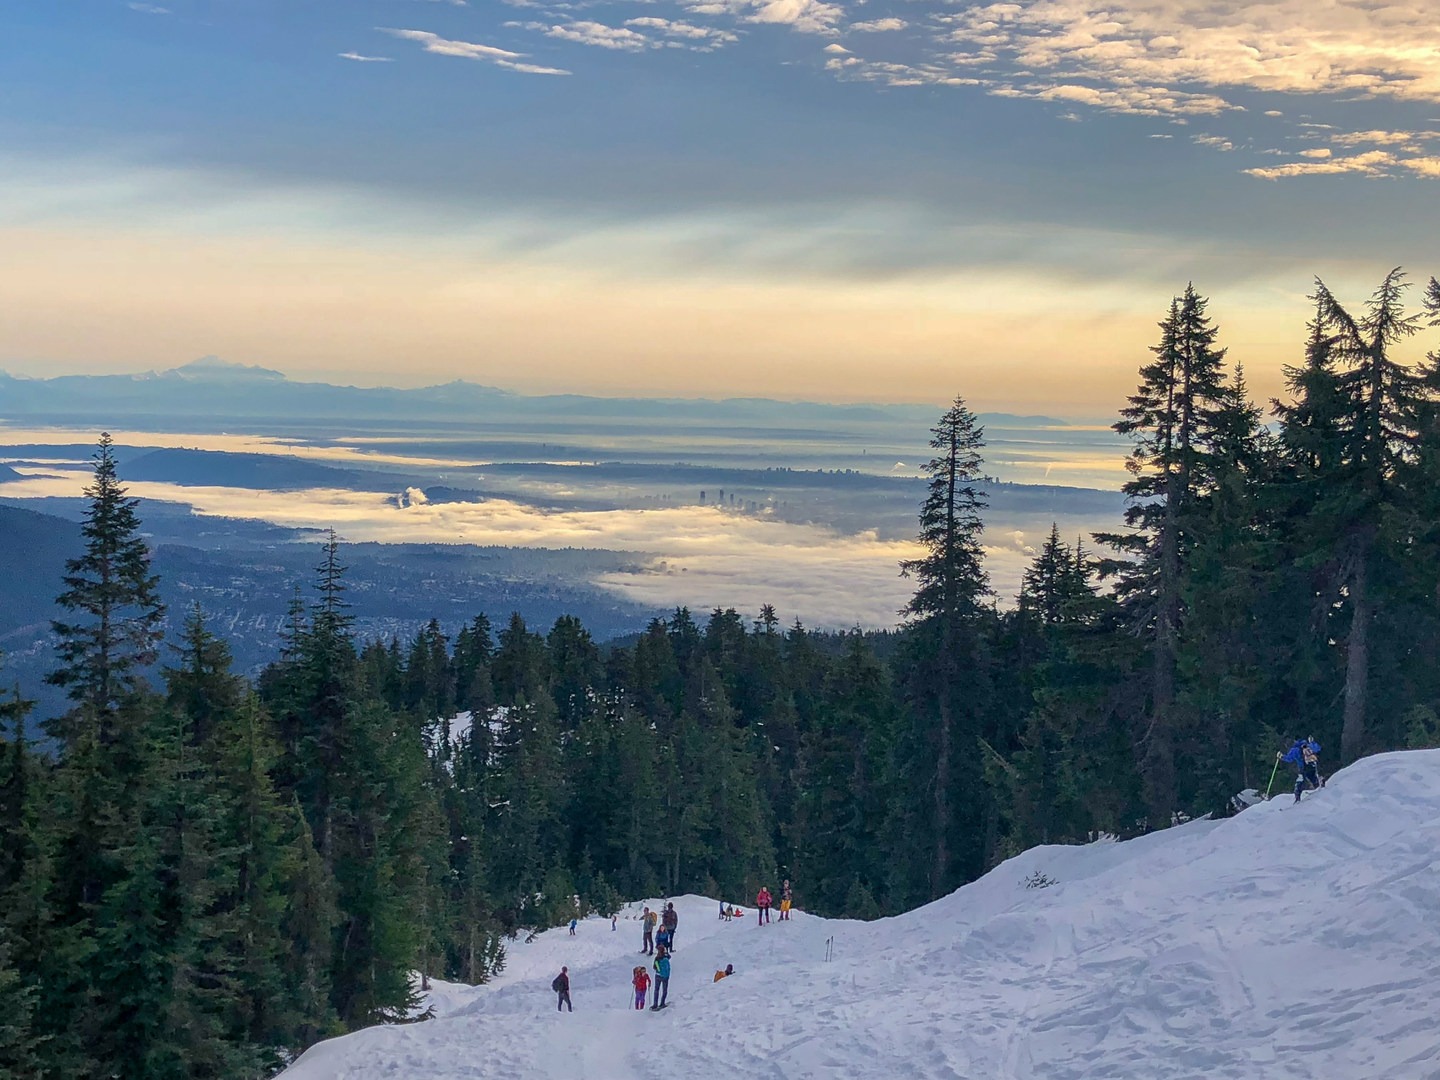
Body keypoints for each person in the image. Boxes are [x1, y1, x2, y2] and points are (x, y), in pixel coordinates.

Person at [1278, 737, 1319, 803]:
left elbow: (1289, 759)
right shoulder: (1307, 745)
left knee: (1300, 781)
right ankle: (1319, 788)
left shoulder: (1295, 749)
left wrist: (1281, 756)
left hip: (1303, 767)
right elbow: (1317, 749)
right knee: (1313, 777)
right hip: (1312, 765)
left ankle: (1297, 797)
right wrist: (1312, 742)